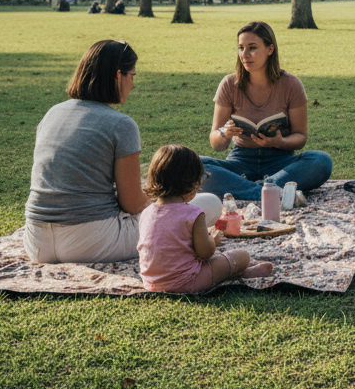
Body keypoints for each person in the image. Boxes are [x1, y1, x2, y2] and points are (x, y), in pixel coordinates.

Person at [23, 40, 220, 264]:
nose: (133, 85)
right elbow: (133, 204)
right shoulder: (121, 124)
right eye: (132, 76)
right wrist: (164, 198)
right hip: (92, 241)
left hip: (36, 243)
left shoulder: (52, 113)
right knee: (210, 204)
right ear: (118, 76)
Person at [202, 21, 333, 201]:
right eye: (241, 48)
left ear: (270, 49)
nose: (244, 54)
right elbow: (216, 143)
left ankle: (251, 189)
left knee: (321, 161)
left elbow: (300, 137)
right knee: (195, 165)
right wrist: (224, 133)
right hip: (240, 160)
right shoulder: (229, 84)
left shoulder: (291, 85)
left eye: (252, 48)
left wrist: (280, 142)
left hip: (281, 162)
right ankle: (270, 191)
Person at [138, 145, 274, 293]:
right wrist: (211, 240)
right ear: (191, 183)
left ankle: (238, 273)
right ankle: (239, 272)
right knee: (242, 256)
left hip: (152, 283)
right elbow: (206, 253)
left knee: (216, 260)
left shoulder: (146, 212)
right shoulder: (193, 213)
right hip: (187, 282)